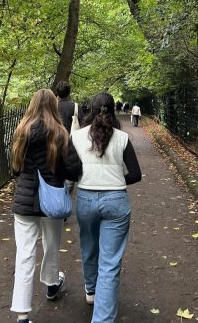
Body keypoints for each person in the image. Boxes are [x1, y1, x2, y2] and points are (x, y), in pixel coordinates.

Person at [10, 89, 82, 323]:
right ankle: (52, 285)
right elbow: (73, 169)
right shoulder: (60, 133)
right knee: (51, 245)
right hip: (51, 200)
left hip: (25, 200)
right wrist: (56, 173)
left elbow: (16, 169)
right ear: (54, 105)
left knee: (24, 254)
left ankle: (22, 315)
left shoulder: (21, 131)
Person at [71, 91, 141, 323]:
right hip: (116, 202)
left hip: (86, 199)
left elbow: (71, 170)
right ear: (112, 110)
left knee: (89, 247)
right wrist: (116, 180)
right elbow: (136, 174)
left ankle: (91, 290)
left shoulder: (77, 137)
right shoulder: (122, 138)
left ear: (90, 109)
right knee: (110, 264)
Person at [55, 80, 84, 193]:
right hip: (70, 145)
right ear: (69, 93)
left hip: (52, 143)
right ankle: (65, 196)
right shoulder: (75, 107)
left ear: (57, 92)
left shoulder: (51, 106)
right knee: (68, 175)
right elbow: (83, 125)